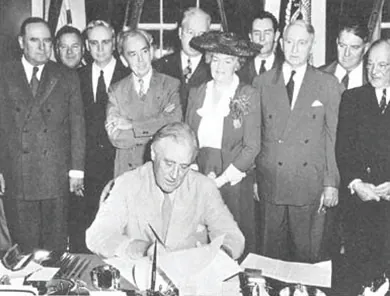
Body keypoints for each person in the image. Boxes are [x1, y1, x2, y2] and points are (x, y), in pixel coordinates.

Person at [86, 122, 245, 260]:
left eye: (183, 167)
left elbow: (233, 236)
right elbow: (97, 235)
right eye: (168, 163)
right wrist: (142, 249)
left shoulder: (203, 187)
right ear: (153, 154)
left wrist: (219, 256)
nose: (175, 175)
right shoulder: (127, 184)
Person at [253, 20, 342, 263]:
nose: (294, 49)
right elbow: (255, 135)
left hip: (309, 184)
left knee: (307, 255)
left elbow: (333, 137)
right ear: (281, 43)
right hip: (271, 183)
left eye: (302, 43)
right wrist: (255, 178)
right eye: (290, 42)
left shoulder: (328, 85)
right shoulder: (261, 83)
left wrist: (330, 182)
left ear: (311, 46)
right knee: (270, 257)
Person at [0, 17, 85, 252]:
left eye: (47, 41)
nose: (42, 47)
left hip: (55, 174)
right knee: (24, 247)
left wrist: (77, 170)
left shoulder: (66, 76)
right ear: (21, 42)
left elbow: (77, 125)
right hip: (17, 173)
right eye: (34, 40)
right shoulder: (4, 74)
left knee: (54, 246)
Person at [185, 31, 260, 256]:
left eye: (227, 61)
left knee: (233, 242)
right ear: (208, 59)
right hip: (200, 174)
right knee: (201, 241)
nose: (220, 66)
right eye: (215, 59)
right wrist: (196, 171)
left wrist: (222, 180)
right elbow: (188, 135)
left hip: (233, 179)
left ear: (237, 64)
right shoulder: (197, 92)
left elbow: (252, 146)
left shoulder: (248, 93)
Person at [73, 20, 130, 252]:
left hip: (118, 164)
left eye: (105, 42)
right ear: (87, 45)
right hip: (85, 167)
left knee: (116, 230)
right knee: (84, 228)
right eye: (94, 43)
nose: (100, 48)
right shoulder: (76, 77)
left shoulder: (128, 75)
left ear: (114, 42)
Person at [336, 39, 390, 268]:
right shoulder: (352, 98)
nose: (374, 71)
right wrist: (356, 184)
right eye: (370, 64)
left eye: (383, 65)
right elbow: (343, 148)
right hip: (359, 202)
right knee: (359, 269)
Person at [105, 29, 182, 177]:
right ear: (123, 59)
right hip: (127, 175)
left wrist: (131, 125)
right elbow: (116, 137)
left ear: (151, 52)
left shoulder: (170, 85)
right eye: (133, 54)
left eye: (144, 51)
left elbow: (173, 124)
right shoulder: (116, 91)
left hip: (160, 174)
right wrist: (158, 124)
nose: (140, 60)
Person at [153, 7, 212, 114]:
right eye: (190, 32)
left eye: (201, 34)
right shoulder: (160, 66)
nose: (195, 39)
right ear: (180, 33)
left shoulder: (214, 69)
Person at [319, 16, 369, 90]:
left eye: (354, 47)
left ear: (366, 48)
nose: (346, 53)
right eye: (342, 46)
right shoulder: (319, 75)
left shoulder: (372, 79)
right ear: (336, 43)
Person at [238, 10, 283, 85]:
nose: (262, 38)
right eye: (257, 33)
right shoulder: (240, 70)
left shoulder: (286, 68)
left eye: (267, 33)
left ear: (276, 36)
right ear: (250, 37)